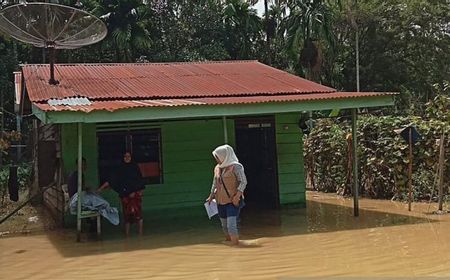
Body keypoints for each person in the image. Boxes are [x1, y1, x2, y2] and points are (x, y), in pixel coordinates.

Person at [206, 144, 247, 246]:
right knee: (224, 226)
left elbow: (243, 181)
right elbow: (215, 183)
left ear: (225, 156)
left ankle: (236, 246)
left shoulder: (236, 167)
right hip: (220, 201)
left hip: (232, 201)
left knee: (231, 225)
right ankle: (230, 243)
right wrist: (211, 195)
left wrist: (237, 196)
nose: (217, 160)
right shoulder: (218, 168)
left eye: (218, 157)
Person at [97, 152, 145, 237]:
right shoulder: (120, 169)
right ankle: (127, 236)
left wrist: (137, 192)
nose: (127, 158)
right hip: (125, 196)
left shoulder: (135, 167)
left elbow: (140, 181)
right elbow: (111, 180)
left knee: (138, 215)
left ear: (131, 157)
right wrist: (100, 189)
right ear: (122, 158)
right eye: (125, 156)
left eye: (128, 156)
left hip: (135, 196)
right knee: (127, 217)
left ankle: (140, 235)